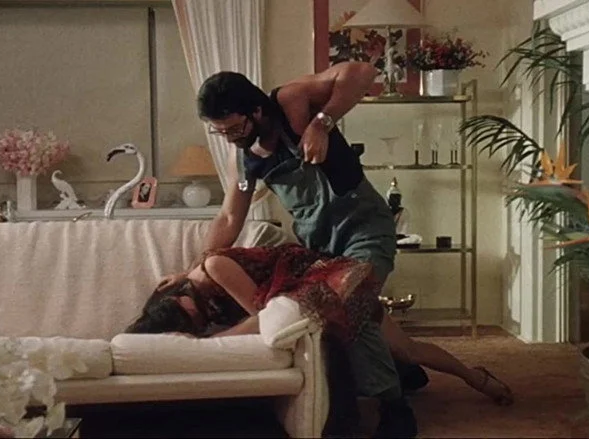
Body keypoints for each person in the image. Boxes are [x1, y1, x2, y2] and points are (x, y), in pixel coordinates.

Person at [157, 63, 426, 436]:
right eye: (220, 132)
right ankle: (399, 370)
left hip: (364, 227)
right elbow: (229, 218)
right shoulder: (245, 159)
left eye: (234, 128)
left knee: (349, 303)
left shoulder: (291, 101)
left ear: (255, 110)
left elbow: (362, 72)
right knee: (332, 317)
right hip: (318, 245)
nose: (230, 139)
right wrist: (191, 271)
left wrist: (322, 124)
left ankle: (394, 406)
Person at [133, 244, 514, 431]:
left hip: (323, 279)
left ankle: (452, 382)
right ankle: (472, 378)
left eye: (189, 314)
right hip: (312, 295)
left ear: (177, 296)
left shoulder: (214, 268)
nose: (199, 319)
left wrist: (214, 344)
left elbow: (264, 315)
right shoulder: (190, 299)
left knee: (399, 348)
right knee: (404, 348)